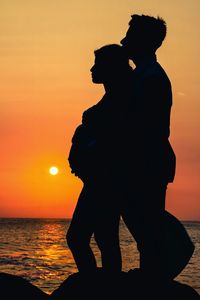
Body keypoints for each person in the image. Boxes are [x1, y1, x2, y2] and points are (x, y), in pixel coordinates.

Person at [119, 14, 176, 281]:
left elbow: (145, 128)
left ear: (144, 41)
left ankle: (152, 281)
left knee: (147, 226)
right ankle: (151, 278)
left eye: (130, 36)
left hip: (148, 163)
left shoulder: (151, 78)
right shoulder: (144, 75)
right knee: (144, 224)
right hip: (146, 161)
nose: (123, 40)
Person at [67, 44, 133, 273]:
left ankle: (98, 287)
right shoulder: (110, 99)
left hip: (107, 180)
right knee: (100, 238)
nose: (92, 69)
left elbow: (114, 138)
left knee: (86, 237)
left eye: (98, 64)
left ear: (111, 67)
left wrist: (87, 136)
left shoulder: (122, 99)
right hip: (98, 180)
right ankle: (99, 285)